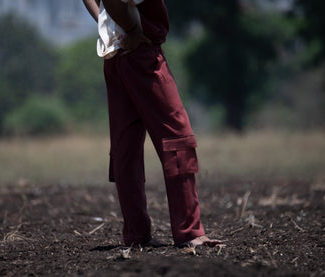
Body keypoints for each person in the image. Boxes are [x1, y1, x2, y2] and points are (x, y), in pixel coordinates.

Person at [82, 0, 221, 248]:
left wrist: (108, 22)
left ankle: (137, 235)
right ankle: (189, 233)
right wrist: (133, 31)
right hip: (142, 55)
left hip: (114, 58)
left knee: (126, 148)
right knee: (177, 139)